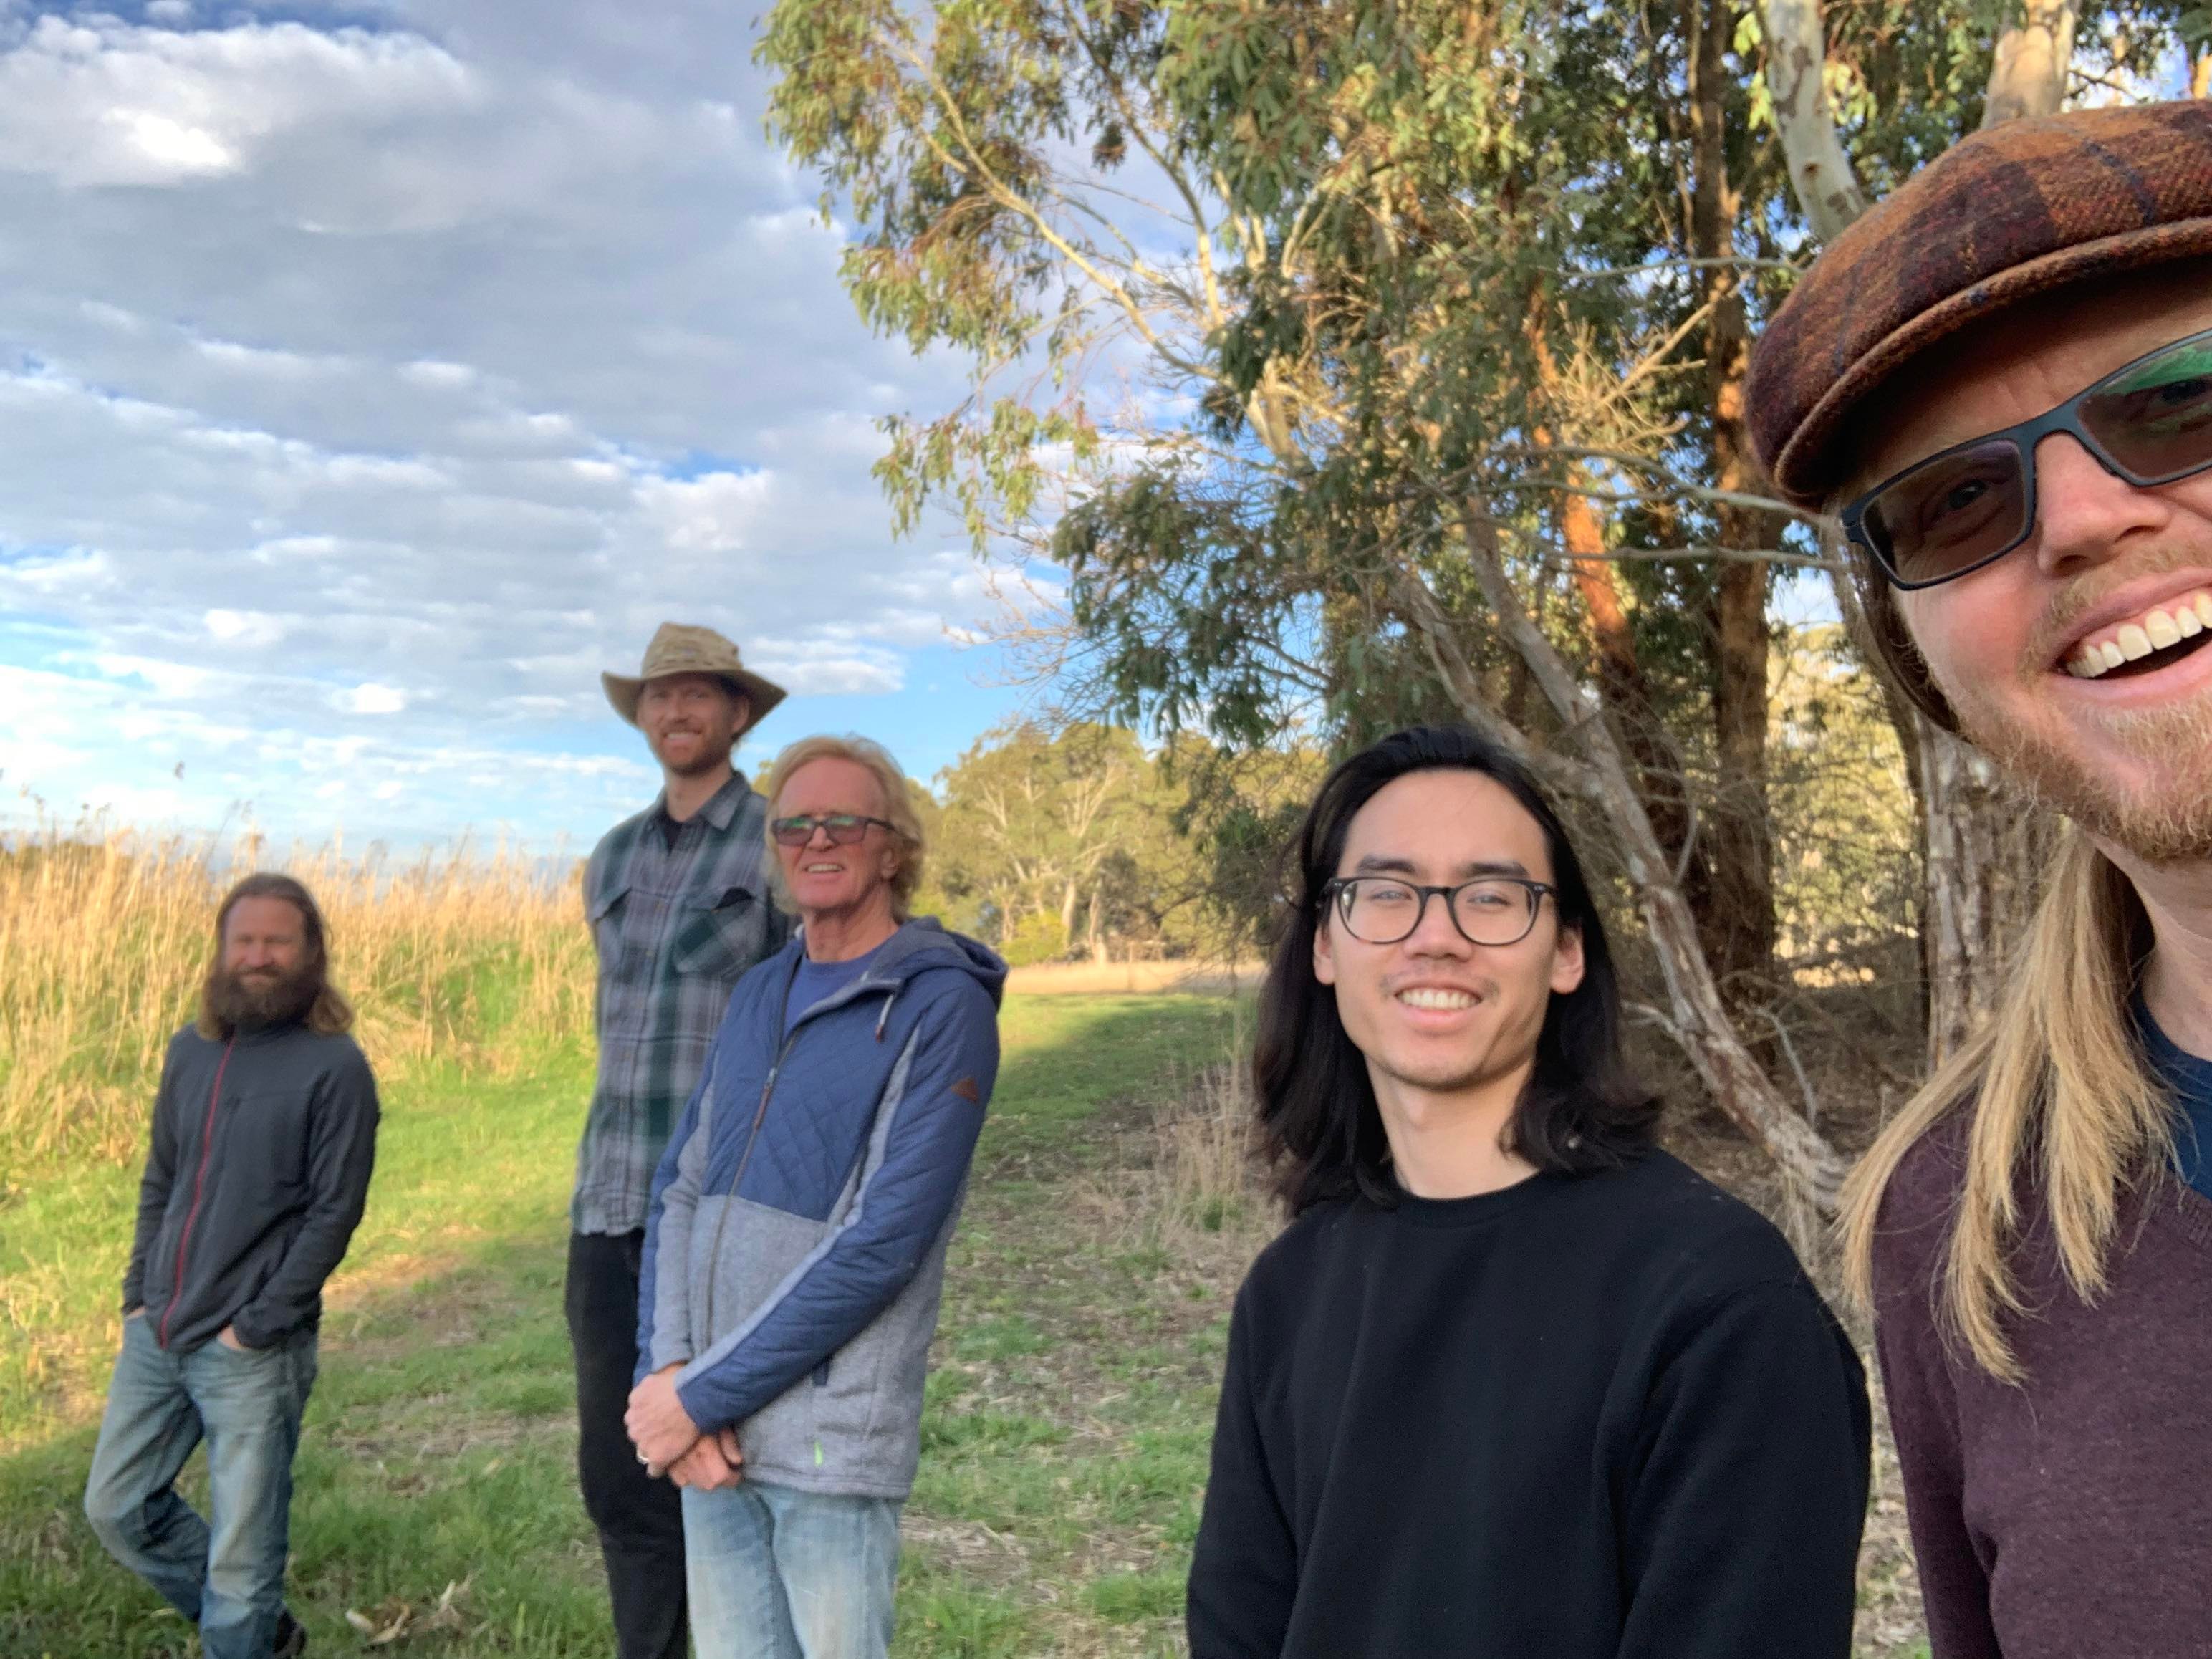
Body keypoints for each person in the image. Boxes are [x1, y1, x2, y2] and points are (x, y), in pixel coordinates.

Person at [1746, 102, 2212, 1658]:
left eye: (2180, 398)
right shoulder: (1954, 1229)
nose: (2082, 518)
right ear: (1925, 668)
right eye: (1955, 501)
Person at [1185, 725, 1870, 1659]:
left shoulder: (1722, 1305)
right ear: (1324, 949)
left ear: (1566, 953)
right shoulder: (1289, 1291)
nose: (1437, 936)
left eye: (1492, 896)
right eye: (1384, 894)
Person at [626, 734, 1004, 1659]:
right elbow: (679, 1189)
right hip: (712, 1442)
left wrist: (701, 1395)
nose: (817, 839)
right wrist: (666, 1375)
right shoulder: (759, 992)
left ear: (894, 848)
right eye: (795, 823)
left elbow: (881, 1242)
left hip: (828, 1449)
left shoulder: (940, 1007)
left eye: (846, 821)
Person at [84, 873, 379, 1659]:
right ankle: (263, 1637)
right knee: (117, 1507)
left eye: (277, 941)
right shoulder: (193, 1049)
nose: (259, 957)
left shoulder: (335, 1066)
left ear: (310, 951)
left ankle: (242, 1634)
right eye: (244, 941)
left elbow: (334, 1211)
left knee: (245, 1563)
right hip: (161, 1328)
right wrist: (136, 1299)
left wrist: (259, 1326)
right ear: (221, 950)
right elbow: (161, 1178)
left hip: (252, 1351)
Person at [571, 622, 792, 1659]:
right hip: (607, 1206)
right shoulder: (610, 857)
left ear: (737, 713)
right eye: (658, 697)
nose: (676, 712)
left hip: (719, 1214)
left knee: (727, 1466)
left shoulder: (783, 843)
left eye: (698, 694)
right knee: (621, 1483)